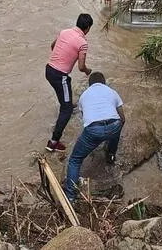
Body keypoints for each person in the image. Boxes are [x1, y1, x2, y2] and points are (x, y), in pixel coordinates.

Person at [64, 72, 125, 202]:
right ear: (104, 82)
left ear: (90, 84)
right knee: (117, 127)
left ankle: (70, 197)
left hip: (94, 129)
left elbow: (85, 118)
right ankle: (111, 155)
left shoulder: (84, 96)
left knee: (75, 160)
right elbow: (122, 118)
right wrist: (114, 132)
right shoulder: (112, 92)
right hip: (114, 124)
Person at [46, 13, 93, 152]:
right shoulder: (83, 43)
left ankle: (68, 103)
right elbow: (81, 66)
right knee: (66, 109)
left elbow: (52, 46)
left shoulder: (64, 32)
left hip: (49, 70)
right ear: (88, 28)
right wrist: (87, 71)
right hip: (60, 76)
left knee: (66, 94)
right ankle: (53, 142)